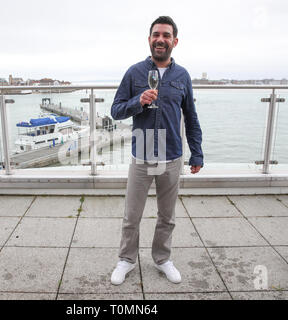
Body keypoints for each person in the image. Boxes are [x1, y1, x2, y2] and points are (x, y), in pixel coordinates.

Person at [110, 16, 203, 285]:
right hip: (142, 154)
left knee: (167, 216)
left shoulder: (183, 76)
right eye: (155, 34)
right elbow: (116, 111)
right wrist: (138, 101)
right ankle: (126, 260)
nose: (160, 39)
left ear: (174, 41)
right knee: (132, 215)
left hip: (172, 154)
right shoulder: (134, 72)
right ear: (149, 39)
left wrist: (197, 152)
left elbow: (192, 117)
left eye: (165, 35)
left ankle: (162, 259)